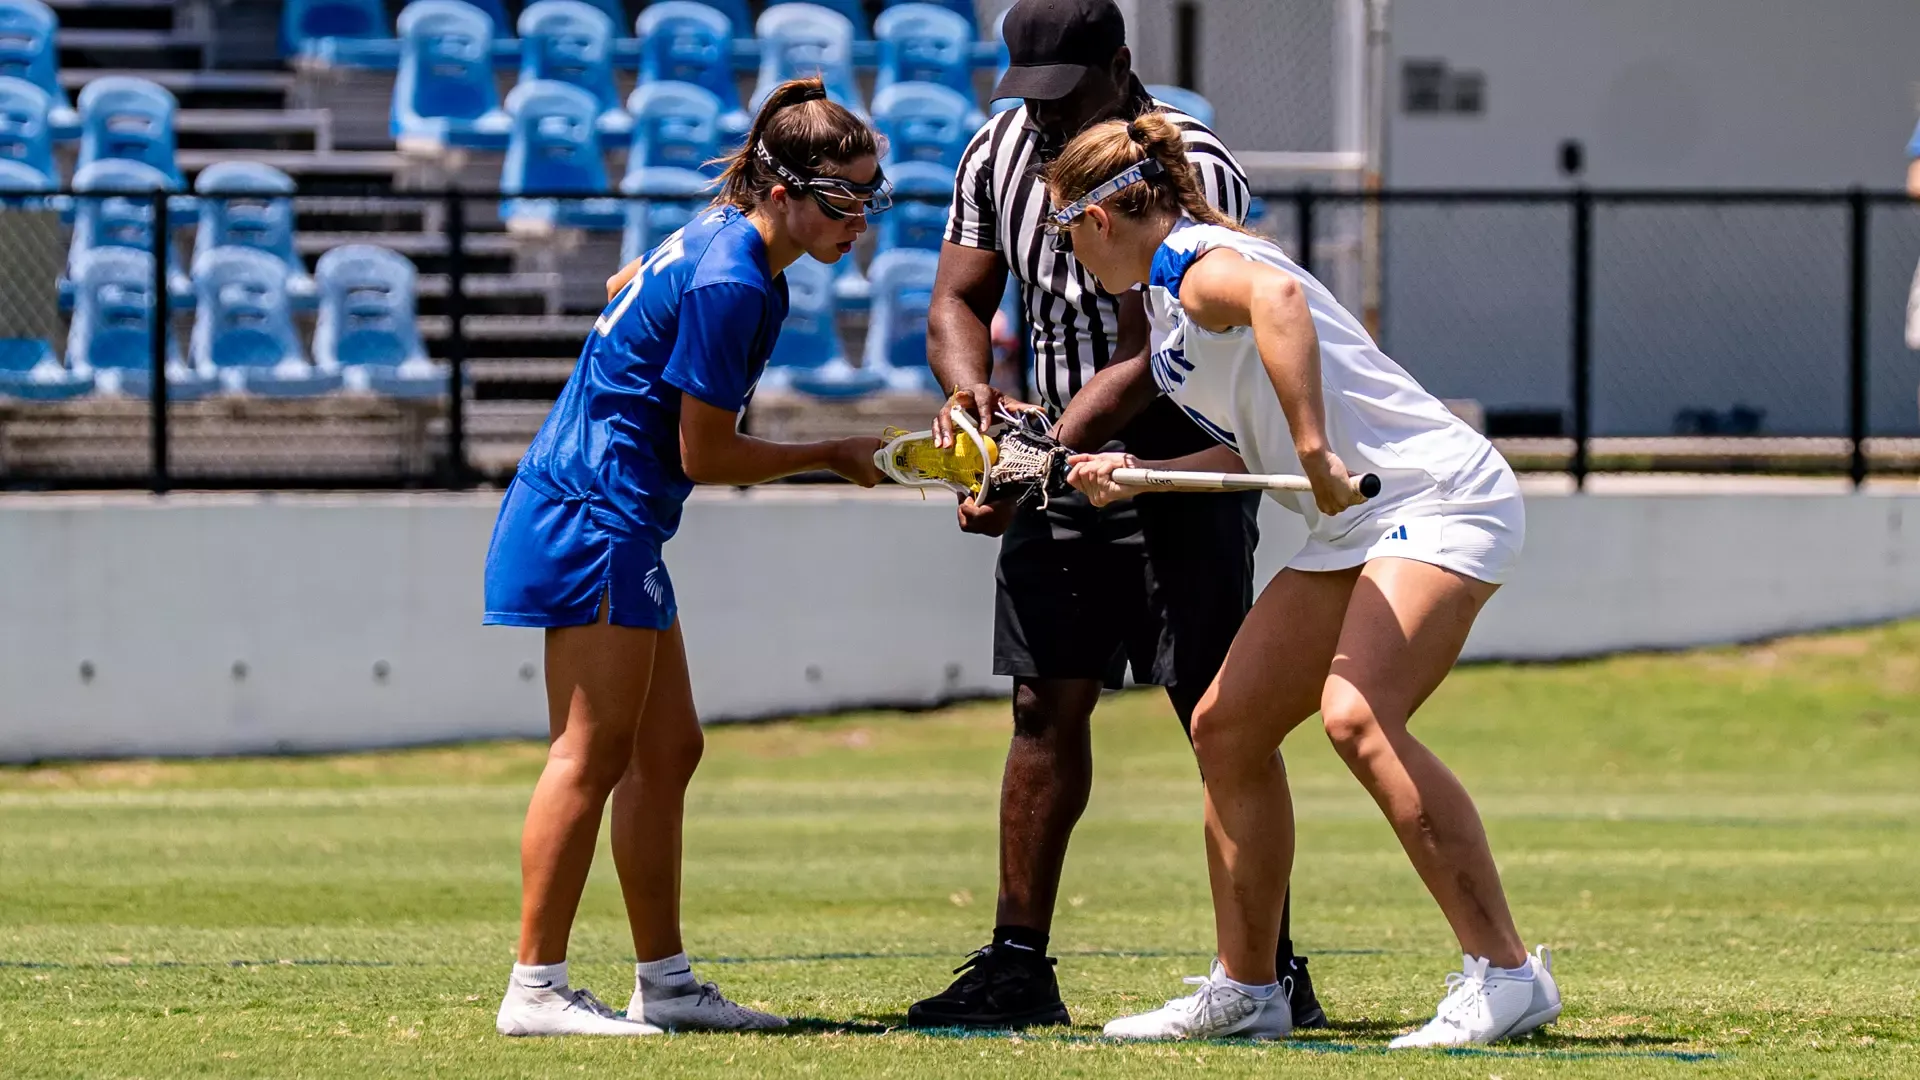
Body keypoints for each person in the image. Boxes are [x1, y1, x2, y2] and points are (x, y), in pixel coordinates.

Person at [1041, 114, 1562, 1047]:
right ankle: (1250, 990)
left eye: (1064, 229)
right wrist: (1137, 471)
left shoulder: (1196, 263)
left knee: (1358, 716)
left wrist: (1317, 444)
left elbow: (1279, 299)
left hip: (1439, 497)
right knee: (1227, 729)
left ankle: (1508, 974)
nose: (1069, 252)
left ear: (1108, 213)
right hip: (1353, 522)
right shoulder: (1170, 303)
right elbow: (1254, 443)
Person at [906, 0, 1325, 1031]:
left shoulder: (1188, 165)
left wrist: (1039, 451)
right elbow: (958, 300)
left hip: (1183, 464)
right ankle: (1016, 966)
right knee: (1044, 705)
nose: (1045, 120)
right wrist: (974, 412)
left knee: (1216, 716)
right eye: (1031, 97)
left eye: (1067, 95)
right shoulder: (997, 151)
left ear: (1121, 68)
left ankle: (1268, 968)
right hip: (1057, 466)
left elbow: (1162, 344)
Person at [483, 77, 890, 1037]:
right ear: (783, 192)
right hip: (595, 516)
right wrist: (833, 454)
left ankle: (664, 983)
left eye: (871, 198)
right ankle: (534, 990)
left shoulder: (732, 238)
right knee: (590, 754)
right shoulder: (737, 276)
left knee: (668, 748)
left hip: (611, 514)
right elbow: (703, 455)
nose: (859, 221)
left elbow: (634, 281)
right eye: (842, 200)